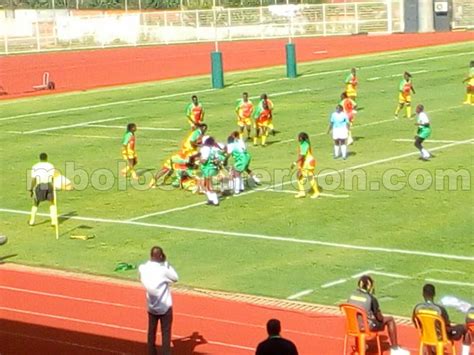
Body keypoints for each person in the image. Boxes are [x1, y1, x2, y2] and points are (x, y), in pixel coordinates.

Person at [348, 275, 405, 352]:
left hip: (352, 326)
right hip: (366, 327)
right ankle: (395, 348)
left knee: (358, 319)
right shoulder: (371, 298)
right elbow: (379, 318)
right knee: (390, 320)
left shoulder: (351, 296)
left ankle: (360, 346)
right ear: (369, 286)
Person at [139, 246, 178, 355]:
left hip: (151, 306)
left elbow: (141, 275)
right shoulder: (163, 269)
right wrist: (166, 264)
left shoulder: (143, 268)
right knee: (166, 333)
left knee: (151, 332)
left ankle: (151, 352)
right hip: (165, 307)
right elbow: (175, 278)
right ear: (161, 256)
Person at [412, 284, 470, 355]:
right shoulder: (439, 309)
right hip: (442, 336)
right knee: (465, 328)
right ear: (434, 294)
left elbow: (415, 322)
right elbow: (446, 325)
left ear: (423, 294)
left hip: (425, 335)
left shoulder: (418, 308)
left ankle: (433, 350)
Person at [28, 153, 57, 227]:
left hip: (41, 185)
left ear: (40, 158)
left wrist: (31, 189)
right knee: (52, 203)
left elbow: (34, 179)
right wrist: (53, 185)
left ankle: (32, 221)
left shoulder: (35, 166)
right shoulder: (51, 165)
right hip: (49, 185)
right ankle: (53, 221)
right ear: (46, 158)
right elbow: (53, 177)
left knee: (36, 203)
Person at [292, 132, 319, 199]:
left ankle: (316, 192)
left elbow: (302, 156)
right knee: (300, 176)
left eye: (298, 137)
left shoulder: (304, 145)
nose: (297, 138)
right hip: (309, 161)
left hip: (308, 162)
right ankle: (302, 192)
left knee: (309, 177)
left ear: (301, 138)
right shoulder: (305, 143)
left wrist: (295, 163)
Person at [200, 137, 221, 206]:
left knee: (208, 186)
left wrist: (198, 161)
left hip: (208, 169)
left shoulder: (205, 149)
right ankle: (210, 199)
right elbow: (218, 160)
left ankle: (215, 200)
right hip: (213, 168)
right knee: (206, 185)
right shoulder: (214, 149)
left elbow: (204, 160)